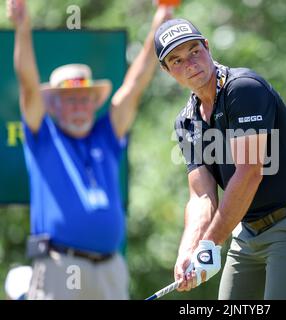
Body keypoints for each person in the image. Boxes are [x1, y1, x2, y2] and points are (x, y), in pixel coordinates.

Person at [154, 18, 286, 299]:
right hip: (248, 232)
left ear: (207, 47)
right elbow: (201, 196)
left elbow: (250, 172)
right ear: (166, 70)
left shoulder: (243, 90)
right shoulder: (187, 121)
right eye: (176, 61)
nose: (189, 63)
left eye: (194, 51)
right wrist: (189, 249)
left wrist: (211, 243)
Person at [6, 0, 172, 299]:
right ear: (53, 106)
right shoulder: (44, 135)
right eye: (69, 99)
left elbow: (134, 85)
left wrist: (160, 21)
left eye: (84, 99)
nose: (78, 107)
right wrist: (22, 28)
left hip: (111, 269)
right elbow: (29, 86)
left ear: (95, 103)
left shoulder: (105, 135)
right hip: (59, 266)